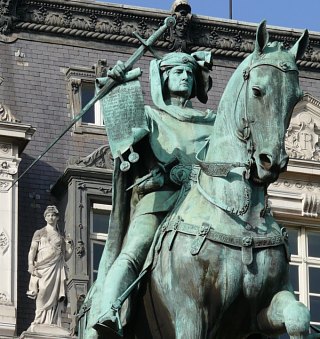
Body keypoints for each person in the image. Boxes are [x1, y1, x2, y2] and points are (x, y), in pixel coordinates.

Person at [85, 51, 216, 337]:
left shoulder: (212, 123)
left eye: (189, 72)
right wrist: (115, 88)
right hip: (158, 203)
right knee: (132, 254)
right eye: (177, 72)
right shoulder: (150, 116)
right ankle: (109, 311)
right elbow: (122, 139)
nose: (184, 76)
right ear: (164, 77)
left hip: (204, 206)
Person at [27, 205, 74, 328]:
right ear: (45, 217)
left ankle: (52, 320)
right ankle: (39, 317)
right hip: (43, 266)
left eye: (53, 215)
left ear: (57, 217)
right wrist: (30, 264)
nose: (51, 217)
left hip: (57, 267)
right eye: (48, 215)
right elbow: (32, 250)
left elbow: (65, 256)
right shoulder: (39, 232)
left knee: (55, 294)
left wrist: (71, 247)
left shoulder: (60, 237)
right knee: (42, 290)